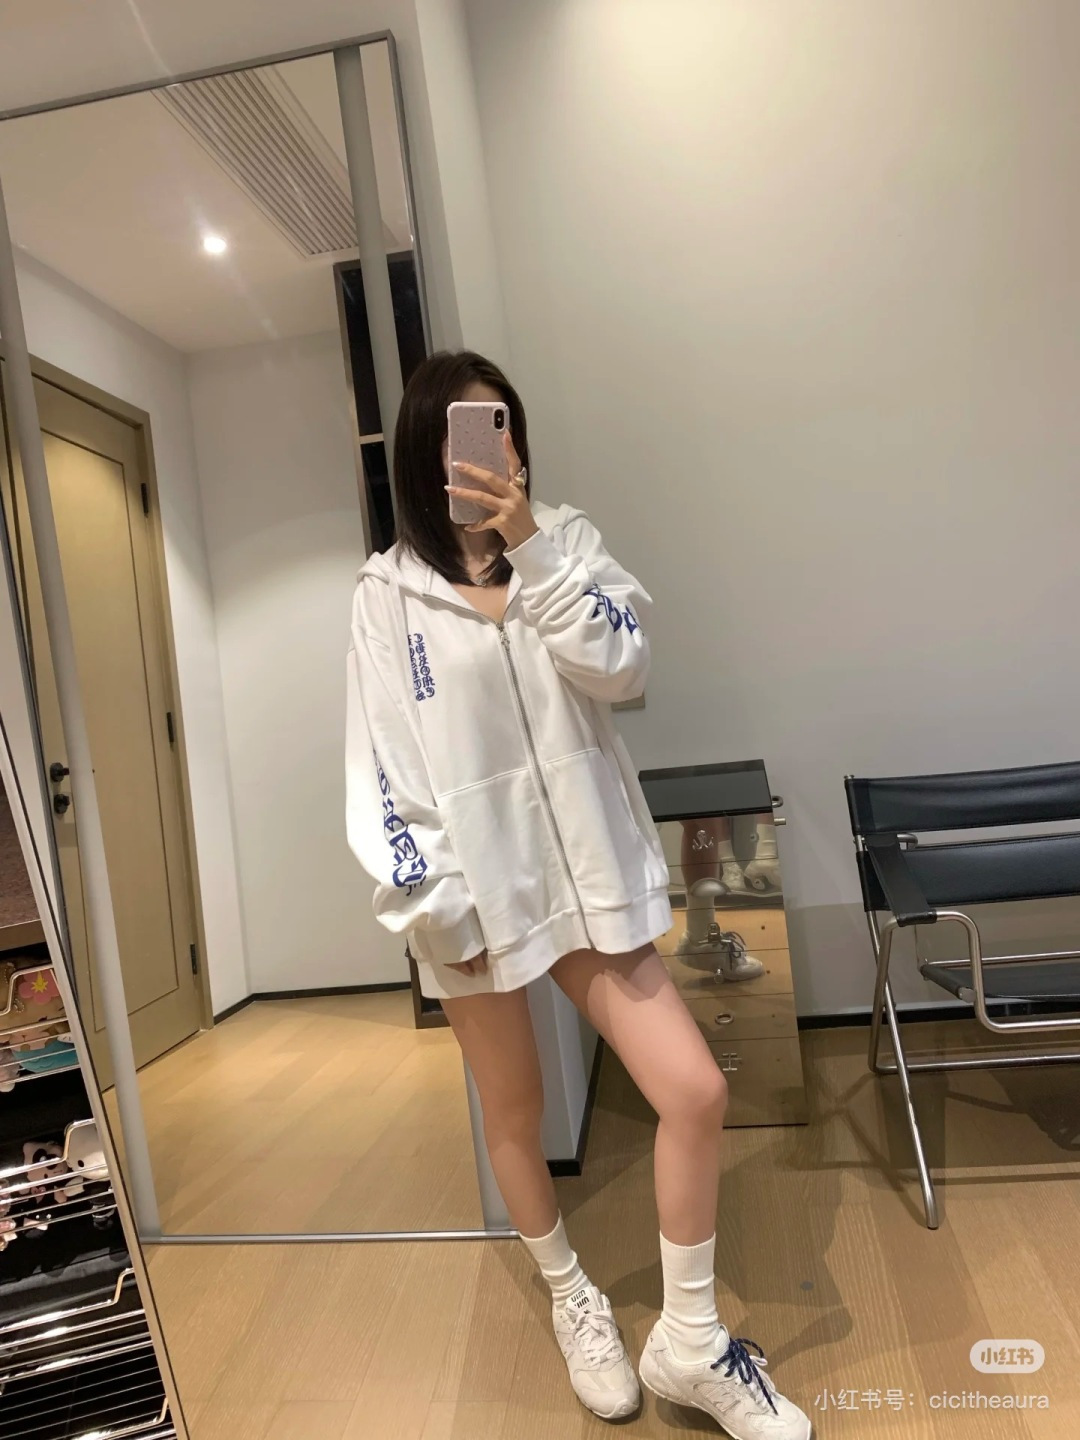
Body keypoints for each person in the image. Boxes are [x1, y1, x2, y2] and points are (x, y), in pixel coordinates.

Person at [345, 351, 810, 1439]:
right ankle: (571, 1295)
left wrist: (533, 547)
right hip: (472, 897)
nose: (490, 449)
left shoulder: (568, 542)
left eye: (502, 426)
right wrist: (434, 908)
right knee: (514, 1109)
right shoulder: (384, 597)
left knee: (693, 1090)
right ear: (425, 452)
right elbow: (383, 767)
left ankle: (689, 1342)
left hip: (585, 883)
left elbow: (623, 669)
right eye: (466, 431)